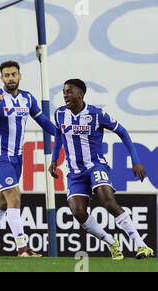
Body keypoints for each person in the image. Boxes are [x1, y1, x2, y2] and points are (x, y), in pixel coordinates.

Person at [49, 78, 155, 260]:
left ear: (80, 95)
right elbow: (59, 134)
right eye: (64, 91)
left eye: (69, 91)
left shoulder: (97, 114)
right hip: (74, 172)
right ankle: (111, 242)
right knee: (78, 212)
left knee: (107, 200)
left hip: (95, 166)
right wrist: (54, 159)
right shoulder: (59, 114)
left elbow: (122, 132)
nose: (65, 95)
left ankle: (142, 245)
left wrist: (135, 161)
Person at [0, 61, 56, 257]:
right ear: (1, 78)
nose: (10, 78)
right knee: (14, 197)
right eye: (6, 75)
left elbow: (43, 122)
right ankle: (23, 249)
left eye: (13, 74)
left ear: (19, 76)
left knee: (2, 201)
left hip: (17, 156)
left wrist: (61, 135)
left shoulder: (28, 98)